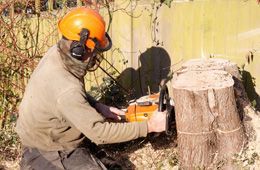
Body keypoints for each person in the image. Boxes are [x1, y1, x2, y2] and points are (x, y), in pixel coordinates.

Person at [15, 7, 166, 170]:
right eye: (94, 53)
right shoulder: (66, 89)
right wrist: (150, 126)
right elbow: (99, 133)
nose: (95, 57)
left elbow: (67, 96)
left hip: (49, 133)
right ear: (78, 49)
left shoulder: (58, 52)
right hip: (47, 149)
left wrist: (97, 106)